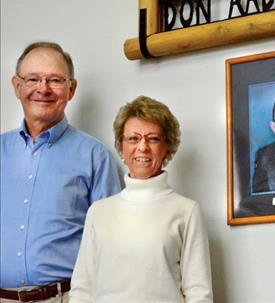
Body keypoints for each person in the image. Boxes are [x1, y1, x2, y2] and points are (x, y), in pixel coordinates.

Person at [0, 42, 121, 302]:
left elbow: (112, 246)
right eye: (32, 79)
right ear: (16, 86)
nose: (43, 89)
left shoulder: (95, 157)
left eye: (55, 80)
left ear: (71, 89)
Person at [69, 96, 213, 302]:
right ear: (121, 148)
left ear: (167, 148)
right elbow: (82, 289)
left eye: (153, 138)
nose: (143, 147)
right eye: (133, 138)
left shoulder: (186, 211)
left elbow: (199, 293)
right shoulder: (98, 211)